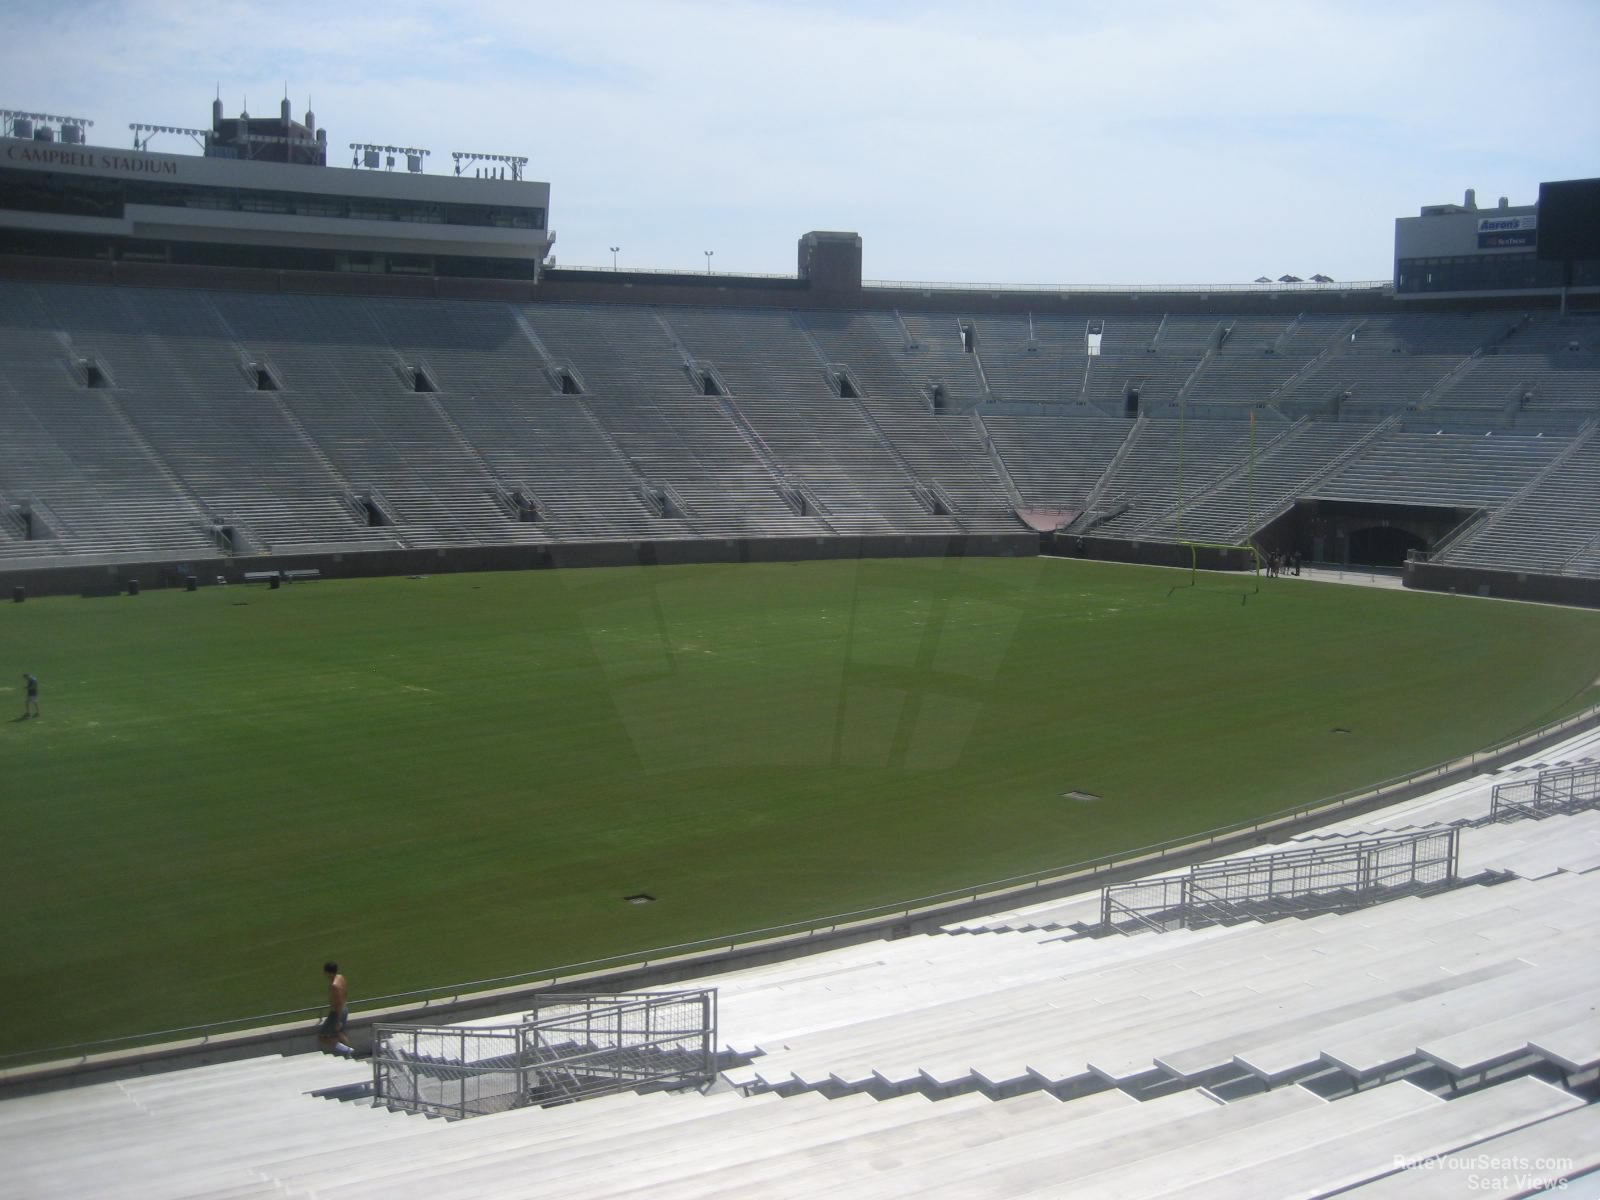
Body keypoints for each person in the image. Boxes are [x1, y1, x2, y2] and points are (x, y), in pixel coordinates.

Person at [318, 961, 356, 1057]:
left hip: (336, 1013)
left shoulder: (334, 986)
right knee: (340, 1033)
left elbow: (338, 1003)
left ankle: (347, 1050)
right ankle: (349, 1053)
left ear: (328, 972)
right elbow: (345, 993)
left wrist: (338, 1020)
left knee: (323, 1037)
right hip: (344, 1008)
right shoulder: (341, 977)